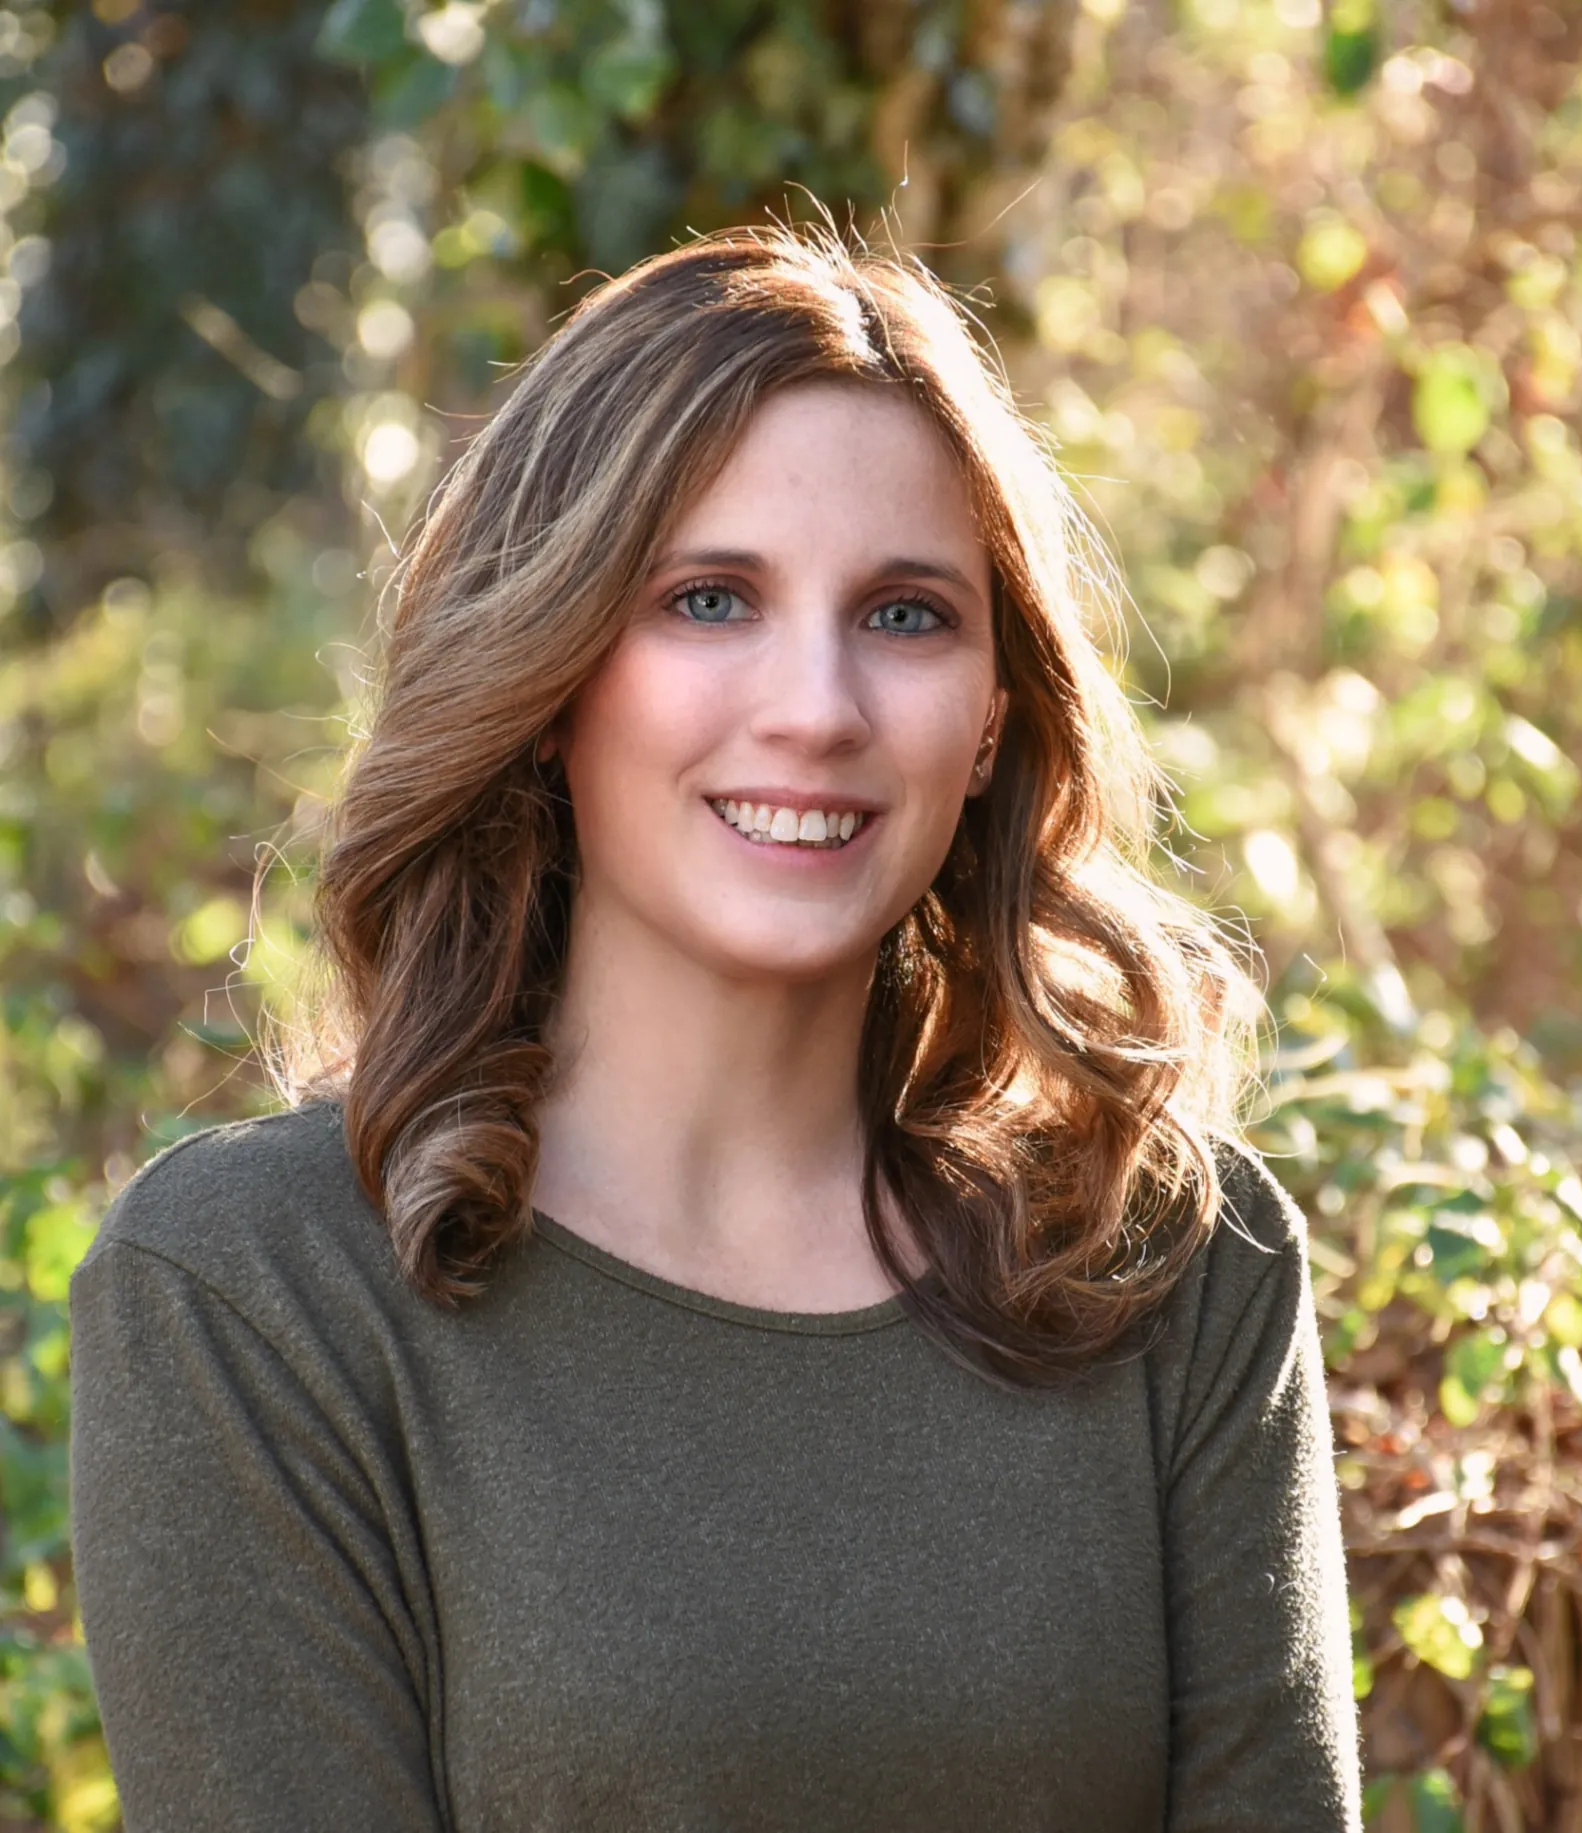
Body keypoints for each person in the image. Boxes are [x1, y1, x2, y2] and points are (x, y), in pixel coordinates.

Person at [69, 224, 1362, 1832]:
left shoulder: (1173, 1263)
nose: (815, 708)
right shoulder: (252, 1293)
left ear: (986, 729)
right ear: (549, 683)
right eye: (705, 600)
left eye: (904, 616)